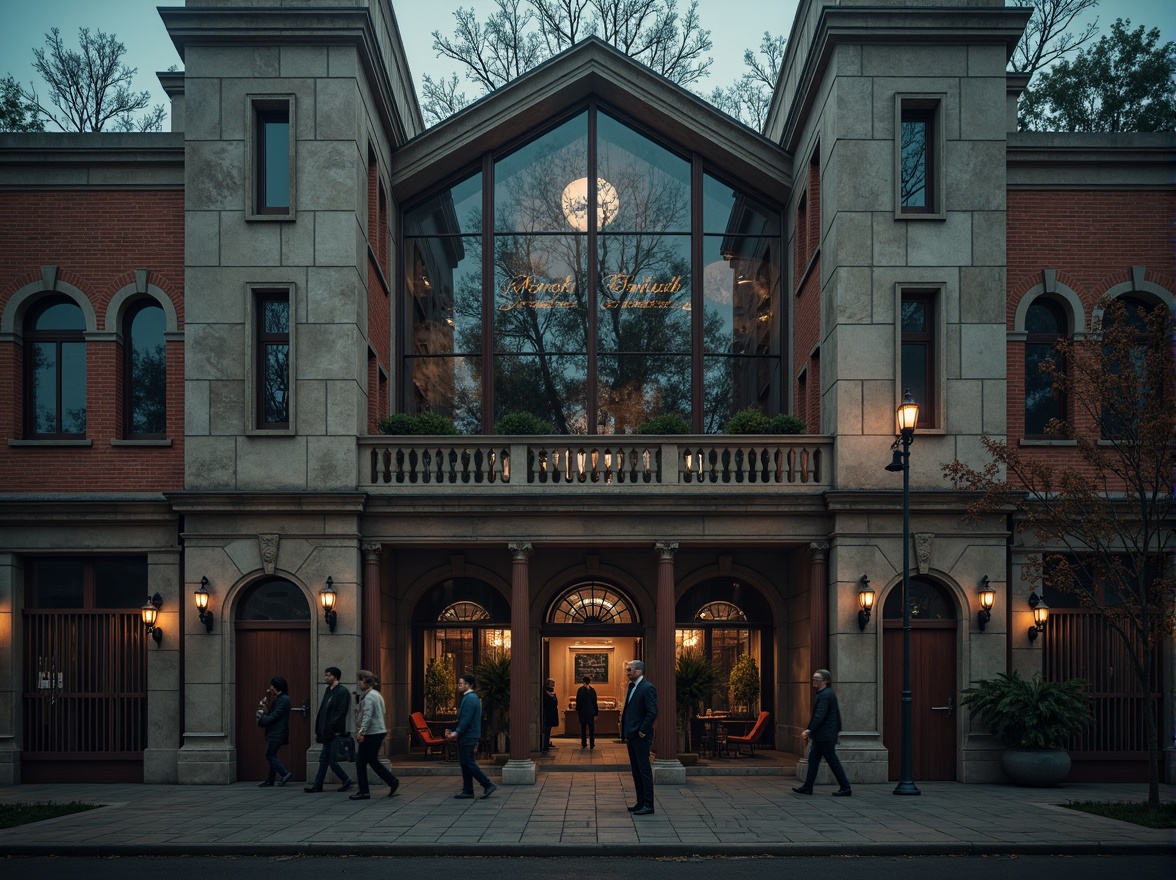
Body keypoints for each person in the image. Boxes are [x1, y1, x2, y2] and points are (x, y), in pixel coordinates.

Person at [793, 668, 852, 797]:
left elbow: (820, 715)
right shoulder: (825, 693)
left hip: (825, 736)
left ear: (825, 681)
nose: (814, 681)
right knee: (814, 760)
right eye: (813, 679)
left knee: (832, 761)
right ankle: (808, 786)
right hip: (822, 736)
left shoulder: (825, 695)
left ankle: (846, 787)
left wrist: (809, 730)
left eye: (817, 679)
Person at [349, 669, 401, 800]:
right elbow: (382, 712)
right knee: (372, 760)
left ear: (364, 681)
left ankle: (364, 791)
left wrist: (362, 732)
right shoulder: (377, 694)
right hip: (379, 731)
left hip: (371, 733)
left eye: (360, 680)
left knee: (361, 762)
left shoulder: (369, 697)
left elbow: (367, 715)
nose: (359, 683)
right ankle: (391, 780)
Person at [446, 672, 496, 800]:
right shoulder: (471, 698)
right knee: (465, 762)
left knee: (468, 762)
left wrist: (457, 732)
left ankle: (487, 784)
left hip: (468, 736)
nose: (459, 686)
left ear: (469, 685)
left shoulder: (469, 698)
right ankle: (468, 789)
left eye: (461, 683)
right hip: (469, 735)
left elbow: (465, 719)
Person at [305, 666, 353, 793]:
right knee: (324, 759)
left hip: (334, 731)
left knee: (329, 759)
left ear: (335, 677)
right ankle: (318, 785)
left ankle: (344, 780)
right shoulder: (328, 690)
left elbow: (341, 711)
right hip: (327, 731)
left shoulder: (342, 691)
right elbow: (324, 710)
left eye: (328, 675)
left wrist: (331, 726)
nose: (326, 678)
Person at [621, 659, 657, 815]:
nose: (627, 672)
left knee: (644, 770)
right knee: (636, 770)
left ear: (638, 671)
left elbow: (652, 711)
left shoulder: (647, 688)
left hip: (640, 735)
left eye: (629, 670)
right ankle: (640, 802)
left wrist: (643, 730)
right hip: (632, 735)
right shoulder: (633, 687)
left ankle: (648, 804)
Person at [256, 675, 293, 787]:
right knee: (272, 754)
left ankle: (285, 773)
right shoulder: (279, 698)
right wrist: (265, 707)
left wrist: (261, 718)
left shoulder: (283, 700)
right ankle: (270, 780)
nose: (270, 688)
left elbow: (274, 717)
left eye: (272, 686)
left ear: (276, 686)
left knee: (269, 755)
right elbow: (272, 714)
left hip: (277, 732)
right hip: (275, 732)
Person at [576, 674, 599, 749]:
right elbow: (595, 702)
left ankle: (584, 743)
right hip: (591, 712)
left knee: (583, 728)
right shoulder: (592, 690)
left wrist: (578, 710)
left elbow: (578, 701)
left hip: (582, 712)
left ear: (583, 681)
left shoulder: (580, 690)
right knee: (591, 729)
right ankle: (592, 743)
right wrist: (596, 713)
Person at [541, 679, 559, 751]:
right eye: (552, 684)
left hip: (552, 713)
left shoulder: (552, 694)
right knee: (547, 730)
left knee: (549, 730)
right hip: (547, 714)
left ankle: (547, 742)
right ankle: (545, 744)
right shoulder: (545, 694)